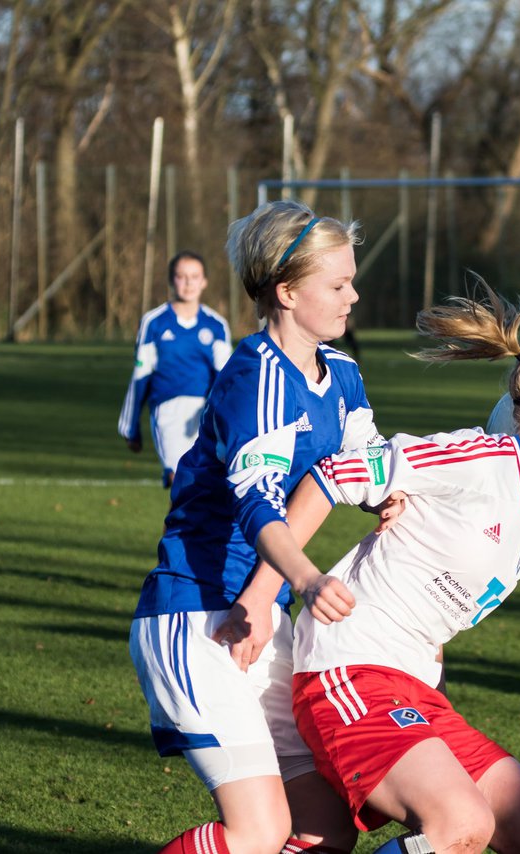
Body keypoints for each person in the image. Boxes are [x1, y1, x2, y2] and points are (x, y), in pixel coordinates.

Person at [284, 284, 520, 854]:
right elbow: (333, 474)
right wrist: (283, 583)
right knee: (460, 826)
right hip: (349, 668)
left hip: (413, 691)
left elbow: (437, 605)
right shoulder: (480, 460)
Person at [131, 201, 401, 854]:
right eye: (338, 285)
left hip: (260, 619)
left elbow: (371, 463)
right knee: (260, 830)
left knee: (326, 830)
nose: (354, 295)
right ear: (286, 291)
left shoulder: (340, 373)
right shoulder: (256, 379)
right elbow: (257, 506)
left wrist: (419, 486)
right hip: (197, 616)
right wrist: (306, 577)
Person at [119, 250, 233, 487]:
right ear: (172, 280)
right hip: (168, 412)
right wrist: (130, 426)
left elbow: (226, 378)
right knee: (181, 481)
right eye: (181, 276)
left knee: (199, 492)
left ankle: (181, 525)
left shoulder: (217, 325)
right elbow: (141, 375)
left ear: (204, 282)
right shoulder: (154, 322)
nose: (188, 283)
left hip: (204, 415)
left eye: (194, 276)